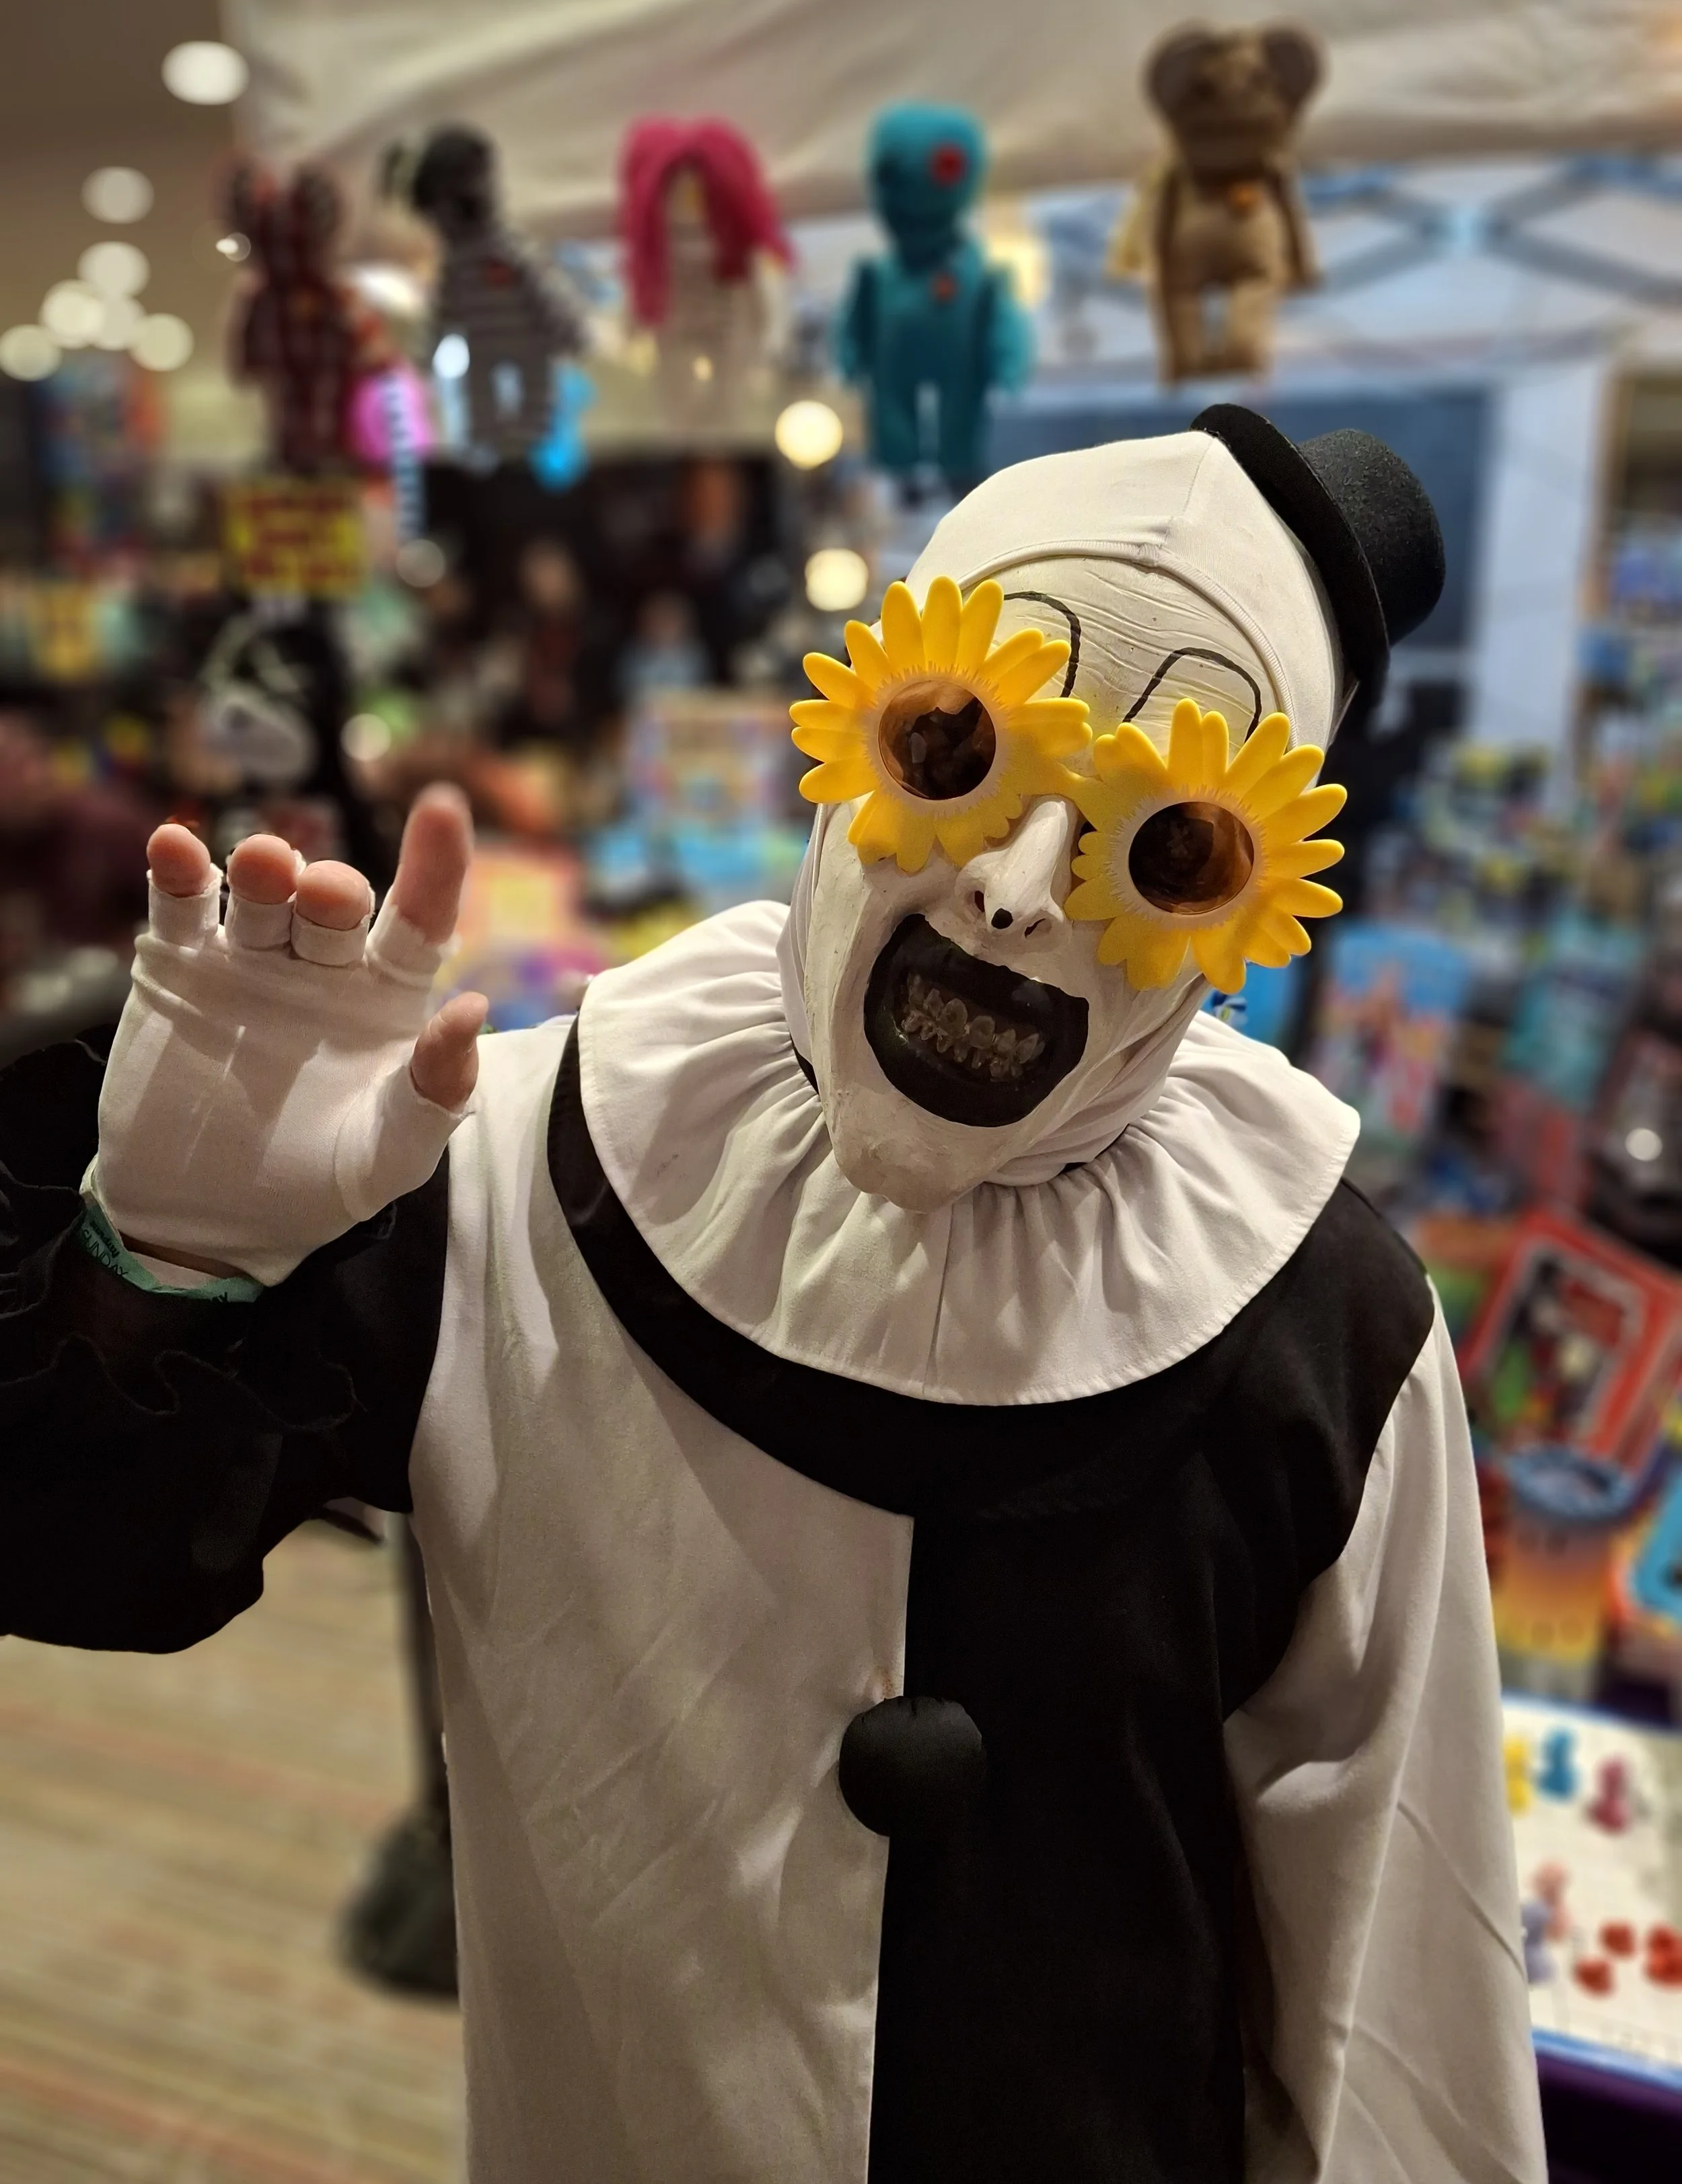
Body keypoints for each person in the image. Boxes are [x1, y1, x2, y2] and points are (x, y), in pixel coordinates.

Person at [0, 410, 1545, 2184]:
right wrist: (162, 1262)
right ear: (843, 745)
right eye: (954, 748)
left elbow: (1391, 1981)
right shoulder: (504, 1162)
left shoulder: (1316, 1324)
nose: (1019, 891)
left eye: (1162, 848)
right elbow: (71, 1551)